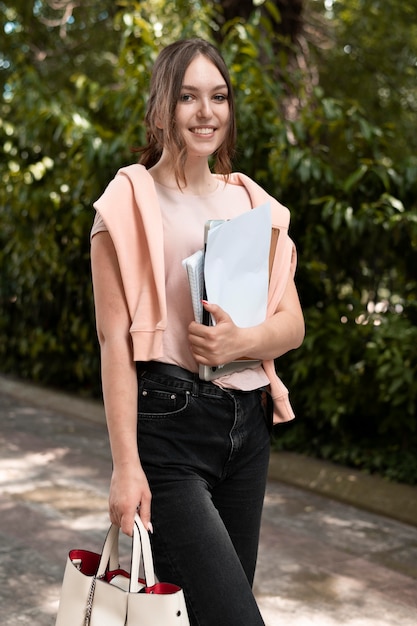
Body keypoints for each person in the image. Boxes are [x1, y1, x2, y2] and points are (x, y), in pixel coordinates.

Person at [90, 38, 304, 626]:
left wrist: (240, 343)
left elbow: (292, 325)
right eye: (188, 97)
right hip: (168, 430)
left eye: (218, 97)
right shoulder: (128, 200)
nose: (205, 112)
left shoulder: (250, 205)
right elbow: (114, 343)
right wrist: (124, 466)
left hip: (248, 427)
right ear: (163, 106)